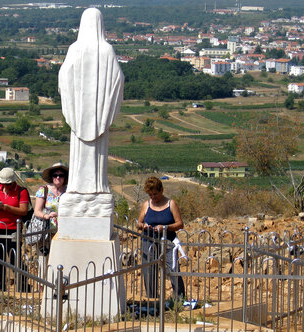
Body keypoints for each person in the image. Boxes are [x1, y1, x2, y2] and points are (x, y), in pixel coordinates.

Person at [58, 7, 124, 195]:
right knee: (98, 157)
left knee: (79, 154)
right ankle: (97, 186)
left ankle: (78, 187)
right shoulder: (107, 50)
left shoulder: (75, 49)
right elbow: (118, 79)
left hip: (79, 113)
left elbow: (64, 76)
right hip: (98, 116)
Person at [136, 176, 186, 300]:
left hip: (168, 240)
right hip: (149, 240)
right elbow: (139, 223)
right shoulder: (146, 205)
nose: (153, 197)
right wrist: (143, 226)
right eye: (150, 195)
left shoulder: (171, 204)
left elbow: (180, 224)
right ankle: (152, 299)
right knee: (149, 270)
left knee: (173, 268)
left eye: (155, 194)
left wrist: (165, 227)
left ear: (162, 190)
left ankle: (179, 299)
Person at [0, 167, 29, 291]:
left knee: (15, 258)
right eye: (2, 183)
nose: (4, 185)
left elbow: (23, 210)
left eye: (6, 183)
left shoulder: (21, 191)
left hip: (13, 229)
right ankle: (0, 288)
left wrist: (6, 207)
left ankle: (23, 286)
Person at [33, 163, 68, 275]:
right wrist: (45, 216)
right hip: (46, 231)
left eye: (61, 175)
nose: (58, 177)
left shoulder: (69, 191)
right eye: (55, 175)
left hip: (64, 231)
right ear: (51, 177)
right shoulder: (44, 190)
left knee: (62, 259)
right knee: (44, 259)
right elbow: (37, 211)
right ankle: (43, 286)